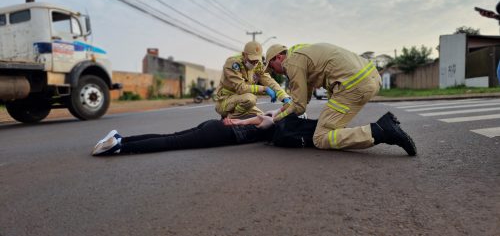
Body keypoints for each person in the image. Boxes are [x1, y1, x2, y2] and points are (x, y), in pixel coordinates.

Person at [265, 43, 417, 156]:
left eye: (271, 67)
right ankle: (360, 133)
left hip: (354, 85)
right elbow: (305, 97)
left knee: (320, 137)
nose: (273, 72)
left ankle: (381, 131)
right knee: (330, 126)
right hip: (370, 78)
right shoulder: (302, 53)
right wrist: (284, 109)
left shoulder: (291, 62)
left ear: (278, 57)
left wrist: (276, 118)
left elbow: (299, 106)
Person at [91, 112, 414, 156]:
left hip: (219, 126)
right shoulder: (281, 121)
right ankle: (119, 147)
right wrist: (245, 122)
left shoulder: (289, 120)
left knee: (173, 135)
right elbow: (262, 121)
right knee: (174, 142)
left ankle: (121, 139)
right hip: (229, 133)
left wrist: (236, 119)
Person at [213, 41, 291, 119]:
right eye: (251, 60)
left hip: (242, 101)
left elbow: (269, 81)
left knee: (264, 117)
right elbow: (241, 88)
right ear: (244, 55)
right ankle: (230, 118)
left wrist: (284, 97)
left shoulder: (258, 65)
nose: (254, 63)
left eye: (256, 61)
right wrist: (264, 88)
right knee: (250, 99)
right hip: (225, 102)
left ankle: (237, 116)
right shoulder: (233, 63)